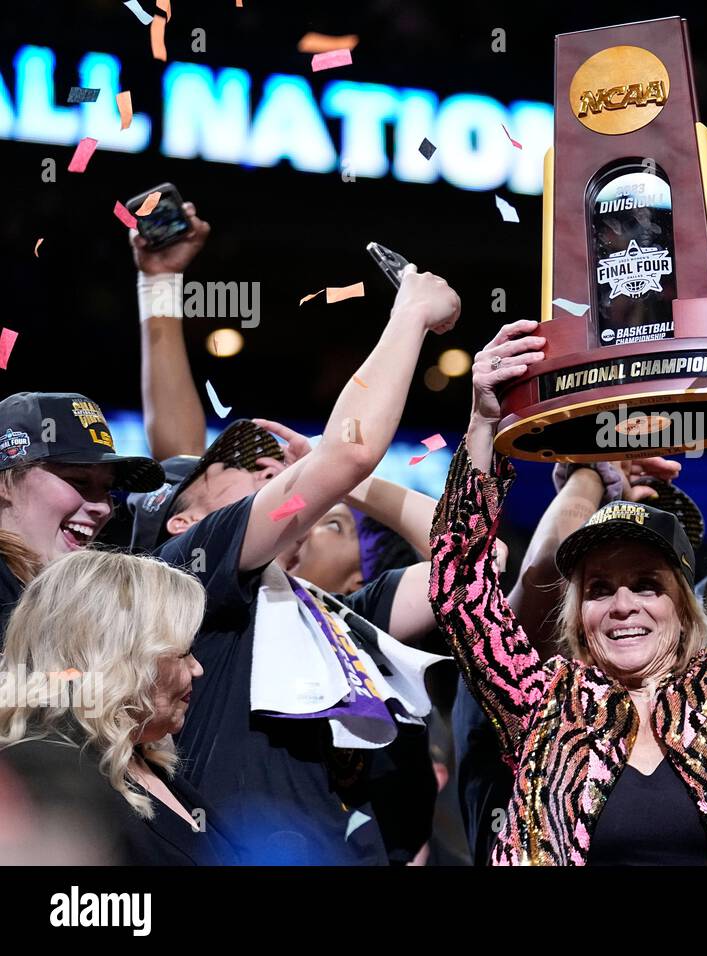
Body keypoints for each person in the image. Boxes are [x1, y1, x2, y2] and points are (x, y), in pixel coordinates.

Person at [429, 310, 707, 864]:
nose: (623, 606)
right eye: (599, 589)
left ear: (683, 606)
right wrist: (484, 422)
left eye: (647, 586)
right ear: (577, 614)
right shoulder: (539, 700)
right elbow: (458, 588)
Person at [131, 266, 461, 864]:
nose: (272, 470)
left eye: (277, 465)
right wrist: (409, 310)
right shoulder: (182, 574)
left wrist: (352, 487)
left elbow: (469, 561)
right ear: (184, 522)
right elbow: (353, 447)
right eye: (241, 461)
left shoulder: (329, 622)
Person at [0, 550, 238, 865]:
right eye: (184, 652)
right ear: (121, 655)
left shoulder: (141, 757)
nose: (198, 669)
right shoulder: (47, 772)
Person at [0, 392, 163, 644]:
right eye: (78, 481)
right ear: (5, 483)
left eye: (108, 489)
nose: (104, 508)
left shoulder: (68, 604)